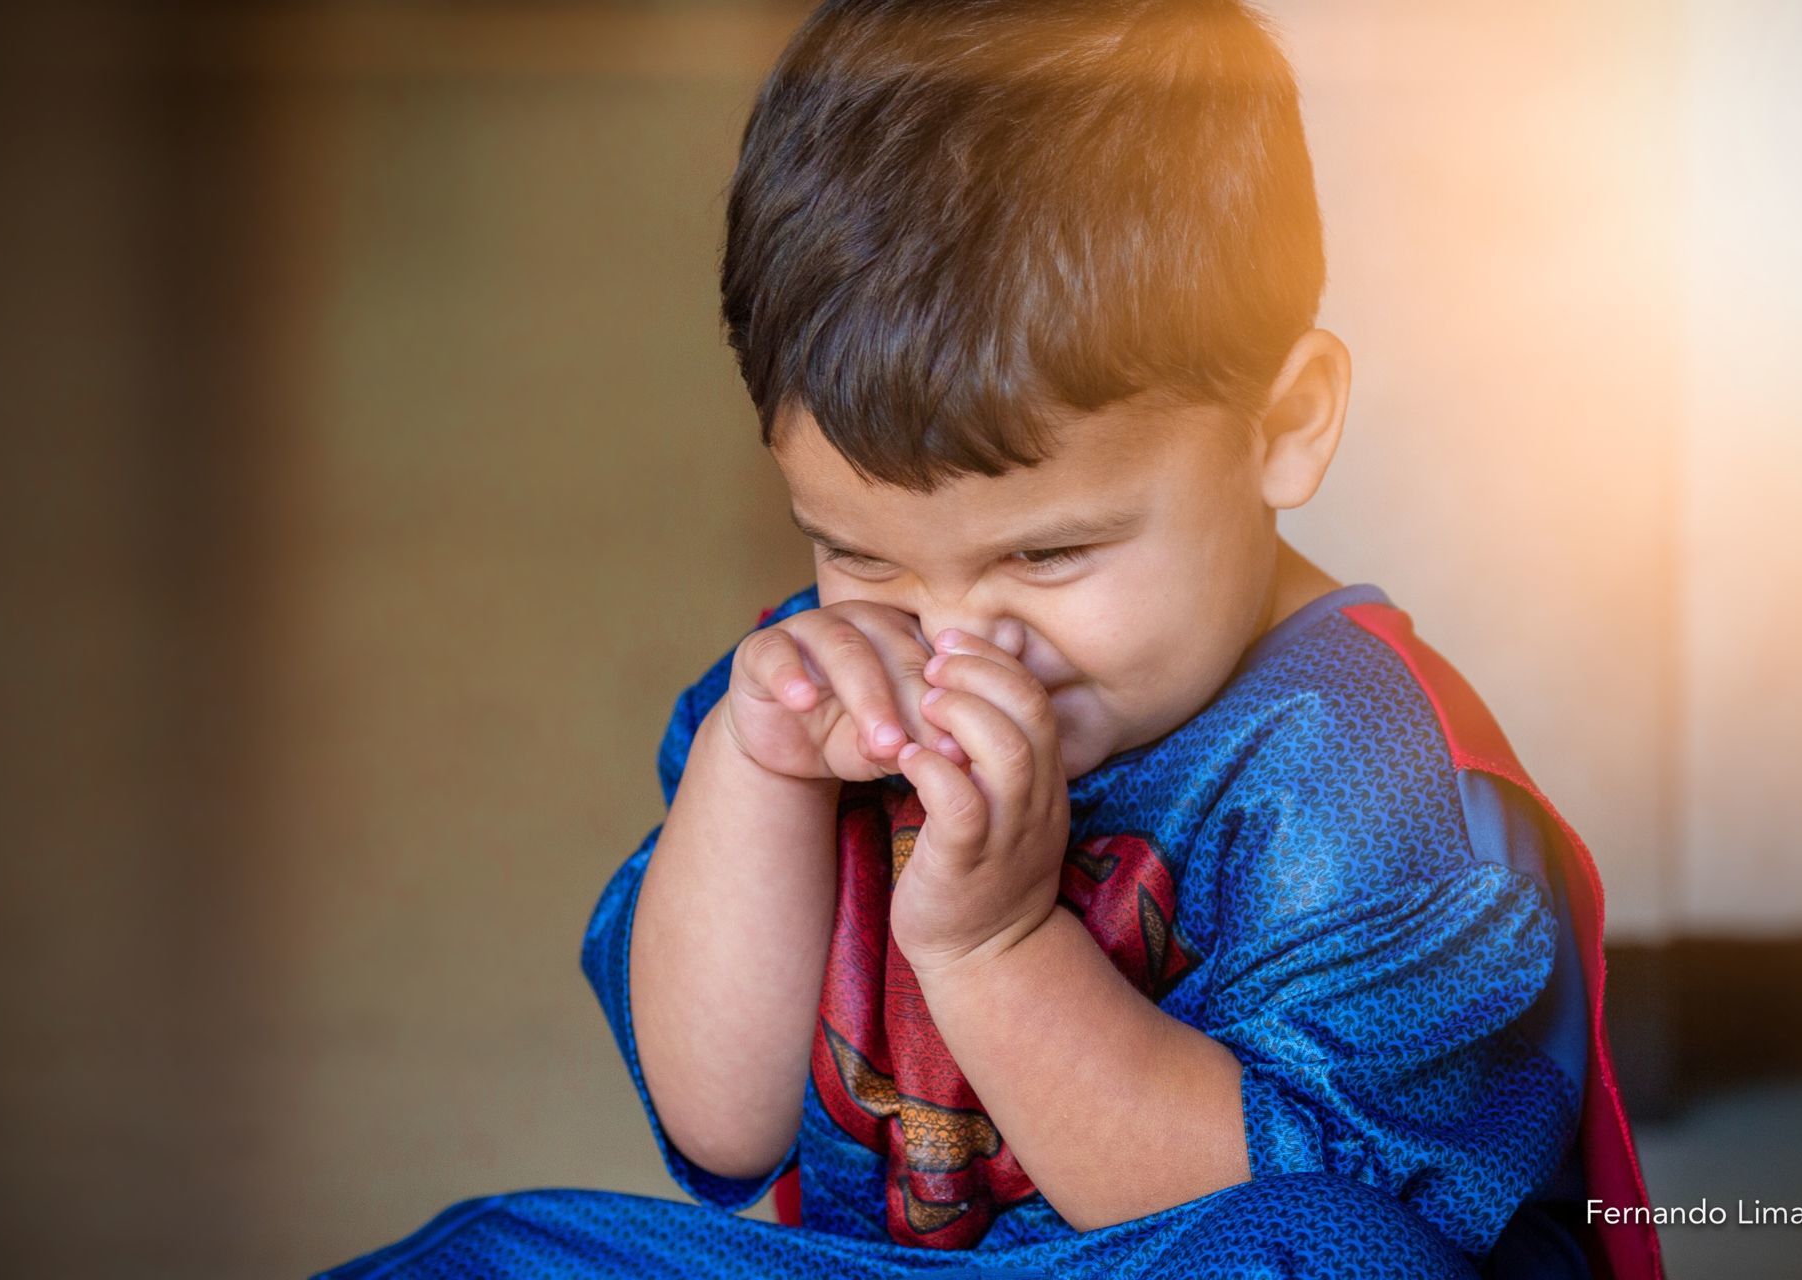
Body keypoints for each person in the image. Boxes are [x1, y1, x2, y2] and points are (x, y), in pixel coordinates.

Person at [317, 2, 1662, 1277]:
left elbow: (1280, 1219)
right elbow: (721, 1128)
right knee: (485, 1251)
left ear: (1286, 424)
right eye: (858, 553)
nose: (959, 644)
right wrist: (755, 773)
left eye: (1048, 554)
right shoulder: (828, 693)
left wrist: (996, 951)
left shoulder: (1372, 784)